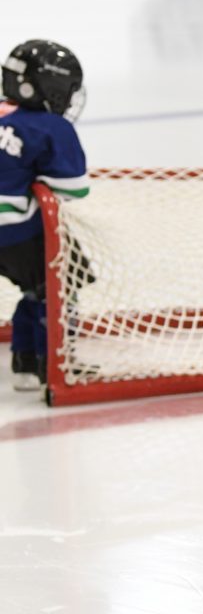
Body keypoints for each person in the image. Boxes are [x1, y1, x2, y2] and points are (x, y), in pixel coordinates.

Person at [0, 39, 89, 391]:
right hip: (11, 231)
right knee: (57, 284)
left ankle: (25, 362)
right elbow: (74, 188)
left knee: (35, 288)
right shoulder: (51, 127)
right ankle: (45, 364)